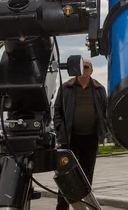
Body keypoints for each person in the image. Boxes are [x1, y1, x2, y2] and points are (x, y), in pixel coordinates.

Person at [53, 59, 108, 210]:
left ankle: (86, 205)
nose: (83, 70)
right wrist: (60, 128)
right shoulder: (66, 88)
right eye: (80, 67)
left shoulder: (99, 89)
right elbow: (57, 110)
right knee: (65, 174)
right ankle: (62, 207)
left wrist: (103, 128)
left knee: (87, 174)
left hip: (90, 138)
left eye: (86, 67)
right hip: (70, 138)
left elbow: (105, 111)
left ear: (91, 70)